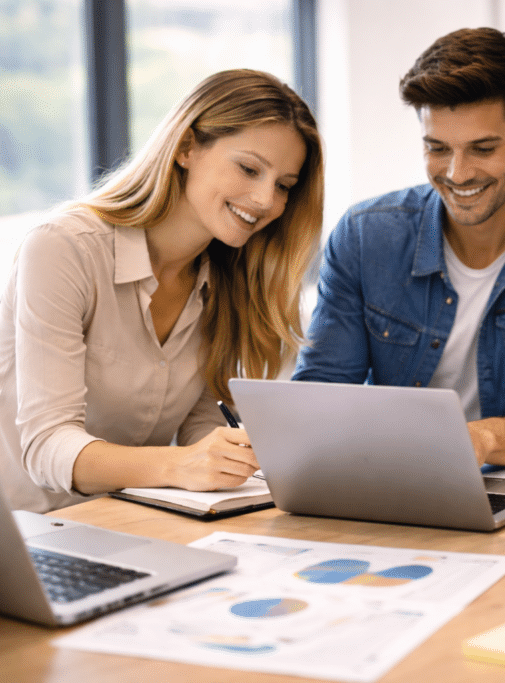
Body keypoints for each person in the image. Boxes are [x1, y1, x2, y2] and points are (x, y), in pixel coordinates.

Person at [293, 28, 505, 467]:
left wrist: (473, 442)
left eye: (482, 148)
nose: (457, 174)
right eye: (437, 148)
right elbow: (323, 390)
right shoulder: (365, 236)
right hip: (390, 476)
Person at [0, 69, 324, 513]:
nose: (266, 200)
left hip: (125, 521)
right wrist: (180, 465)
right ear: (187, 147)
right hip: (27, 534)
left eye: (284, 186)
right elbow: (45, 447)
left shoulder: (229, 280)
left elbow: (202, 424)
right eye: (249, 169)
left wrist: (232, 457)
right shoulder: (64, 249)